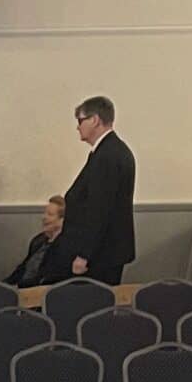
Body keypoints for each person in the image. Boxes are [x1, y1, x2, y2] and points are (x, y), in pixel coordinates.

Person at [48, 95, 135, 284]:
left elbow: (99, 209)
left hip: (100, 256)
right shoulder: (111, 150)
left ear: (95, 120)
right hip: (104, 251)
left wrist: (84, 255)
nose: (77, 126)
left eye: (80, 120)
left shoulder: (107, 156)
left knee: (92, 306)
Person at [5, 195, 67, 289]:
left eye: (50, 214)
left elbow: (46, 277)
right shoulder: (38, 240)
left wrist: (19, 286)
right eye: (44, 213)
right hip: (21, 288)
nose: (44, 217)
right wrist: (3, 285)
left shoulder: (64, 246)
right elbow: (22, 269)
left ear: (62, 220)